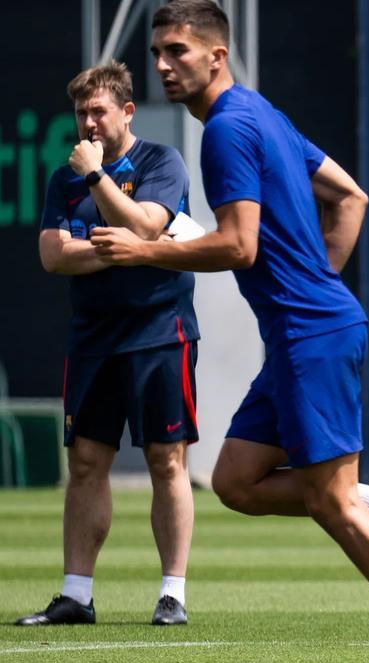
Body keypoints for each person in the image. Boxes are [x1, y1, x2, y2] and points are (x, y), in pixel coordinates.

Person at [89, 2, 369, 663]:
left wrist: (143, 251)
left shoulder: (229, 130)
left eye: (177, 50)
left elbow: (239, 246)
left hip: (308, 331)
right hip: (305, 325)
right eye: (156, 53)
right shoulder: (262, 113)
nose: (162, 65)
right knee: (235, 480)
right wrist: (316, 283)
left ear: (217, 55)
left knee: (330, 499)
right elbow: (351, 197)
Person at [18, 61, 196, 627]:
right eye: (80, 112)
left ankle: (172, 594)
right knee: (87, 462)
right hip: (94, 339)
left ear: (126, 112)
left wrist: (100, 186)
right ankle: (76, 595)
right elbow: (52, 256)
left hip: (158, 333)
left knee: (166, 461)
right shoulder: (62, 177)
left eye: (98, 111)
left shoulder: (160, 162)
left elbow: (146, 226)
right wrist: (120, 246)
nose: (88, 122)